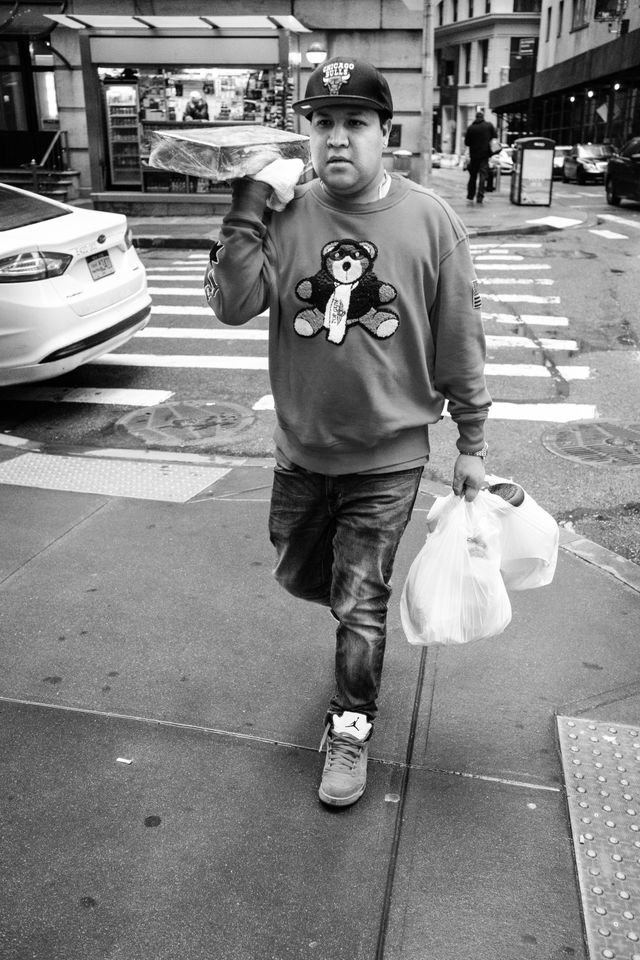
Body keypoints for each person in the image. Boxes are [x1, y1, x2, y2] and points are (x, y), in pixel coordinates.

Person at [204, 57, 491, 809]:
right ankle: (346, 623)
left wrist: (473, 445)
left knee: (360, 601)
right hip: (300, 450)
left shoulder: (430, 221)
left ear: (384, 135)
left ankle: (352, 721)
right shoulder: (285, 212)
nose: (336, 138)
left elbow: (461, 338)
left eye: (354, 122)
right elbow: (233, 304)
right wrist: (246, 204)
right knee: (304, 573)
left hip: (388, 457)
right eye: (322, 121)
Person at [464, 110, 498, 204]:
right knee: (483, 176)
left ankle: (471, 196)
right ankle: (480, 197)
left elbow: (467, 143)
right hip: (485, 155)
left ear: (476, 117)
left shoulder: (471, 128)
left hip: (474, 156)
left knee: (473, 176)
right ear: (483, 117)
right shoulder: (489, 125)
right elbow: (495, 136)